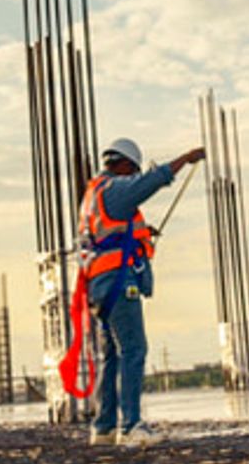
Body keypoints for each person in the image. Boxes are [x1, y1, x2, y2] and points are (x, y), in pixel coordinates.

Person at [79, 136, 205, 446]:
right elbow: (152, 181)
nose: (134, 176)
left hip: (98, 285)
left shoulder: (94, 194)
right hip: (119, 284)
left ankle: (105, 426)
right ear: (123, 165)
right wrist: (185, 157)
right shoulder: (116, 188)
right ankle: (131, 426)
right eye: (132, 170)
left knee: (111, 354)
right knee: (134, 350)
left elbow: (107, 234)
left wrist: (142, 234)